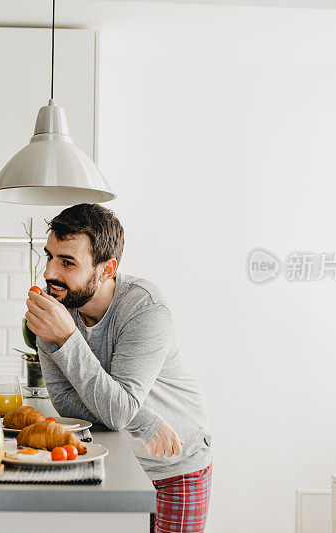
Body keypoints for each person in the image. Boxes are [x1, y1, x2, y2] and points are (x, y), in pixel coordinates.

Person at [25, 203, 212, 533]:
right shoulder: (56, 310)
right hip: (116, 461)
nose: (49, 272)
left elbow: (119, 410)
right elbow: (68, 405)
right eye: (49, 255)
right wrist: (141, 418)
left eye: (67, 262)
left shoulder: (144, 308)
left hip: (175, 465)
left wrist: (68, 338)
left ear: (106, 269)